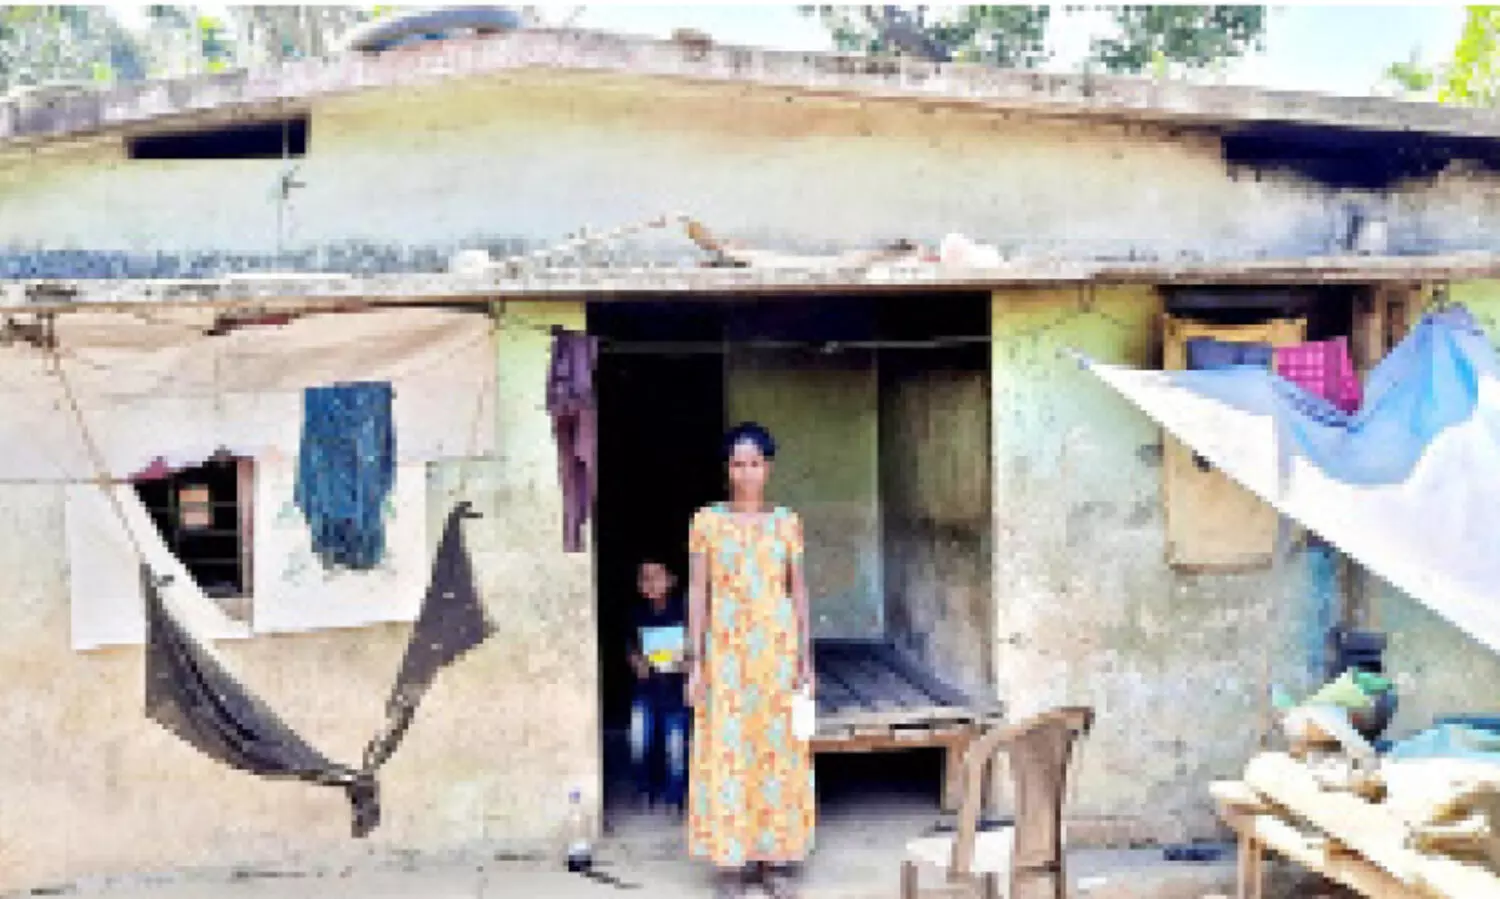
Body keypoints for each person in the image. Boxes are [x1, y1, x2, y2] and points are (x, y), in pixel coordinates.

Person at [685, 422, 815, 899]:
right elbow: (698, 591)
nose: (746, 473)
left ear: (768, 467)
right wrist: (694, 660)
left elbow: (797, 591)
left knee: (778, 754)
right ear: (727, 469)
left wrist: (807, 659)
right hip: (726, 659)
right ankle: (731, 863)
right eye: (738, 464)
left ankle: (774, 861)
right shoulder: (707, 522)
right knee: (728, 754)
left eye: (754, 463)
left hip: (777, 658)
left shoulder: (787, 522)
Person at [626, 559, 690, 813]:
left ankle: (675, 797)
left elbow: (696, 647)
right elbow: (629, 648)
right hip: (646, 691)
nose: (650, 583)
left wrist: (690, 664)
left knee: (675, 749)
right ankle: (644, 789)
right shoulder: (636, 614)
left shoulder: (683, 611)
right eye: (644, 578)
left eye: (657, 576)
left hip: (675, 692)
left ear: (672, 580)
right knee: (639, 742)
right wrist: (636, 662)